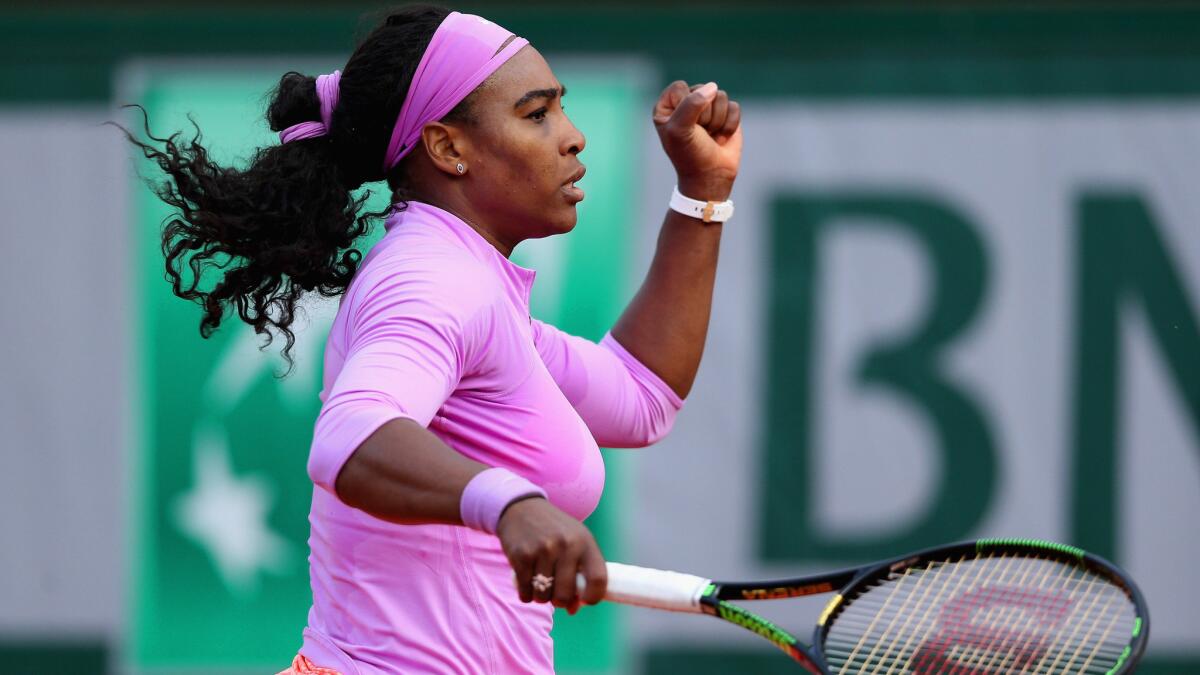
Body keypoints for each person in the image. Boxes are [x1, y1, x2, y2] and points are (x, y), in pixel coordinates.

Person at [127, 4, 741, 674]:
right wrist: (509, 502)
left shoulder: (477, 291)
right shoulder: (431, 277)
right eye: (537, 114)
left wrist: (701, 193)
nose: (573, 138)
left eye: (560, 109)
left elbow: (640, 393)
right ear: (448, 147)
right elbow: (352, 434)